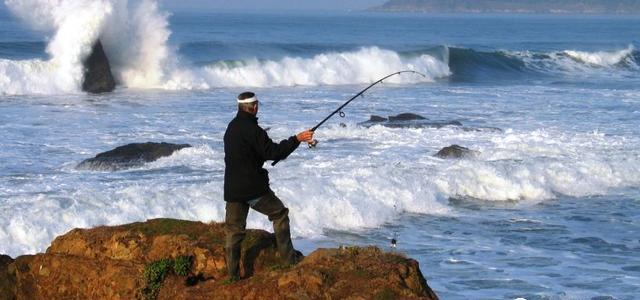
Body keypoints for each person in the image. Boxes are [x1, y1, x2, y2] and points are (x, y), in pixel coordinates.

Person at [223, 91, 314, 281]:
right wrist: (297, 139)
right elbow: (273, 152)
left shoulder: (231, 128)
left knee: (234, 231)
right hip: (253, 188)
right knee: (280, 214)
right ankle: (289, 261)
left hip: (232, 189)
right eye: (257, 105)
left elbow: (246, 155)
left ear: (240, 107)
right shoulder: (254, 130)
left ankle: (232, 277)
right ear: (254, 107)